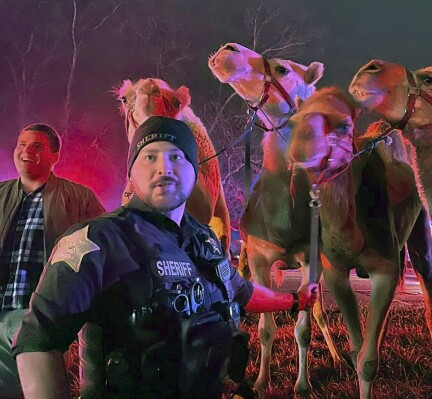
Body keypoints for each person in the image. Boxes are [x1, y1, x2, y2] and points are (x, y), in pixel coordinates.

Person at [13, 116, 318, 399]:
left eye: (177, 157)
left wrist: (294, 300)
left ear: (194, 172)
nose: (164, 168)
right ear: (131, 172)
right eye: (150, 157)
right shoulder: (97, 240)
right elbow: (39, 341)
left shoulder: (204, 239)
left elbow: (241, 292)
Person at [0, 123, 105, 398]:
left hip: (40, 318)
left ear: (55, 156)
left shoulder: (79, 198)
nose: (26, 151)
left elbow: (105, 251)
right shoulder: (1, 195)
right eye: (22, 144)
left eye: (37, 146)